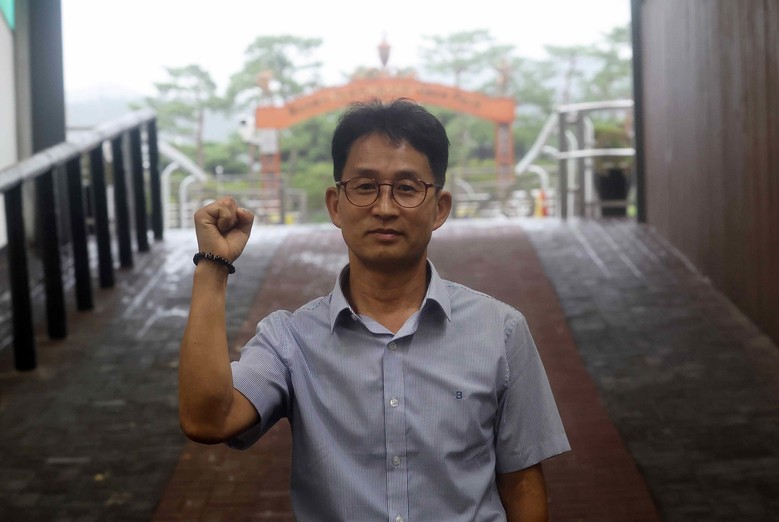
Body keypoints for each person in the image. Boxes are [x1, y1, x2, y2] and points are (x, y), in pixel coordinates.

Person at [179, 98, 570, 521]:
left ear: (439, 208)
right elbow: (208, 420)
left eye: (407, 188)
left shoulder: (501, 331)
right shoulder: (291, 342)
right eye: (365, 187)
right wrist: (213, 267)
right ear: (335, 205)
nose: (384, 208)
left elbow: (523, 484)